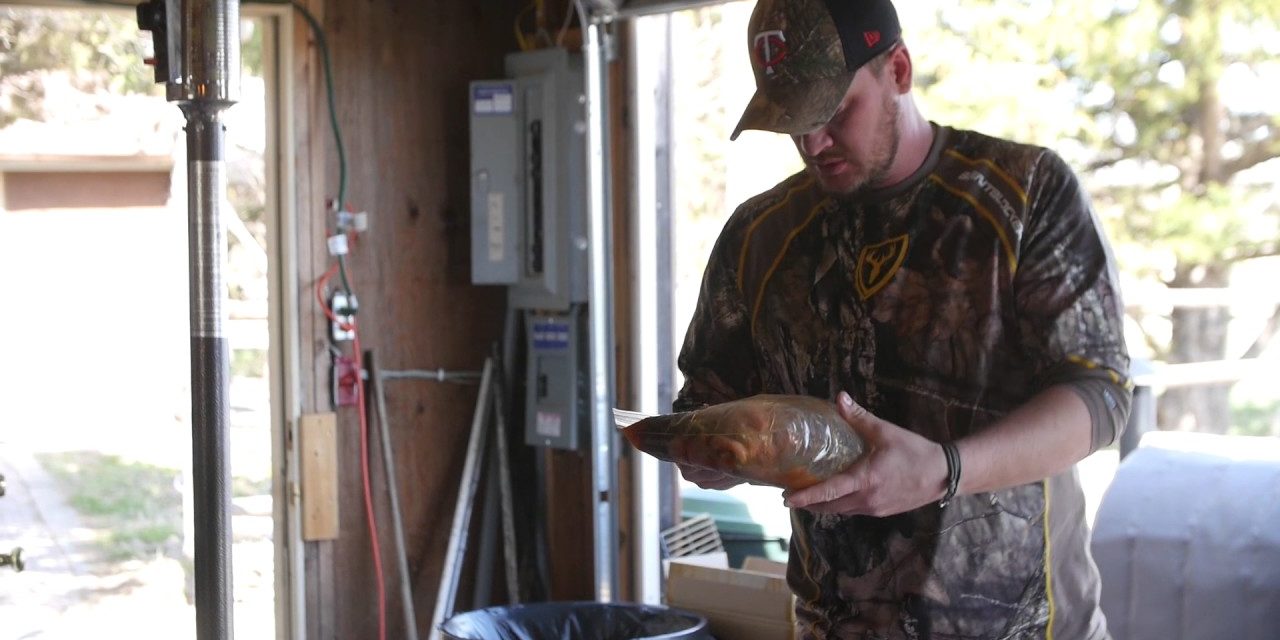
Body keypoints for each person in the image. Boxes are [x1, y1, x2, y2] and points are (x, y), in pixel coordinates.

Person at [672, 0, 1133, 637]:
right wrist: (711, 452)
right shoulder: (760, 236)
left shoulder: (1025, 195)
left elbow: (1100, 398)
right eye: (793, 119)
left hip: (1024, 626)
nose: (813, 143)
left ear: (899, 69)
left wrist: (944, 469)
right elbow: (706, 406)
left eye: (834, 111)